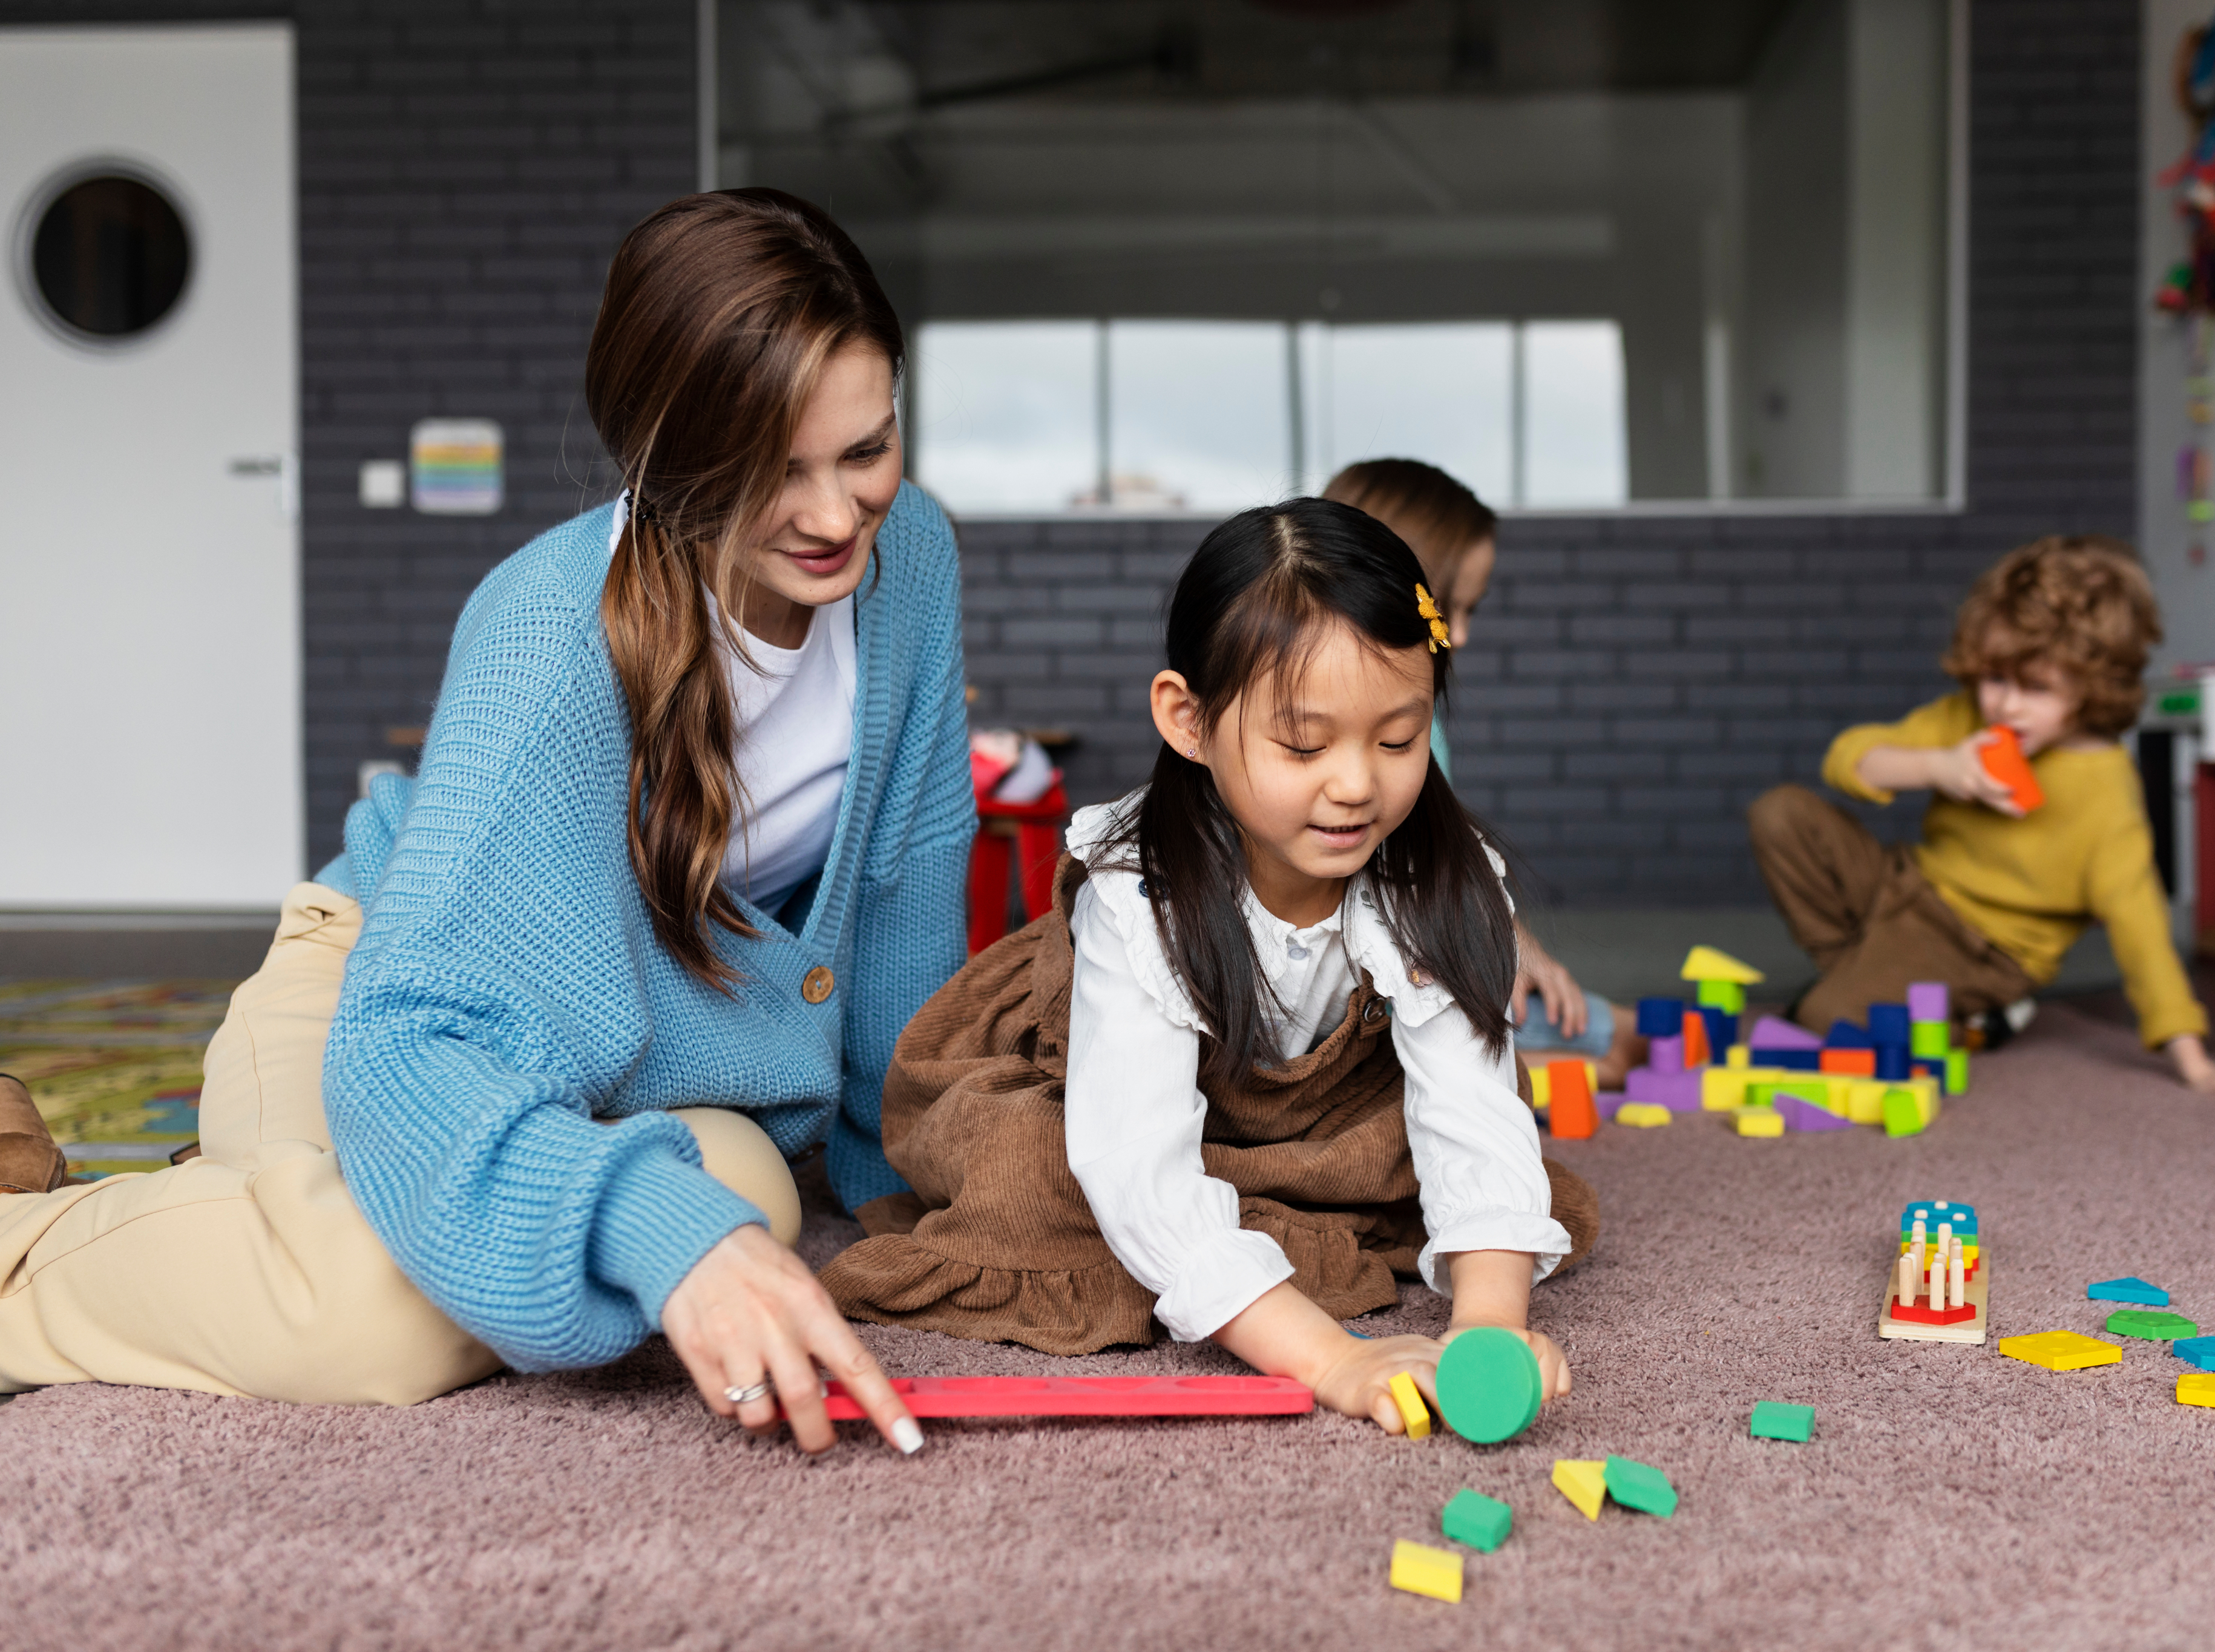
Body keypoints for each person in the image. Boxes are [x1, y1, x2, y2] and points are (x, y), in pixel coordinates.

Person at [0, 189, 971, 1453]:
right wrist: (645, 1232)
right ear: (665, 458)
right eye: (773, 472)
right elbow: (412, 1040)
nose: (838, 516)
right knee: (365, 1312)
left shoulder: (916, 568)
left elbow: (900, 895)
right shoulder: (551, 640)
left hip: (634, 1077)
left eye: (866, 449)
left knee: (734, 1199)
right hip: (382, 1002)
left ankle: (234, 1207)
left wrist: (904, 1191)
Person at [821, 499, 1598, 1431]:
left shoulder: (1434, 871)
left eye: (1400, 739)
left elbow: (1471, 1112)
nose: (1357, 783)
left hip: (1318, 1115)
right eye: (1304, 744)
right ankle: (1263, 1246)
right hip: (1098, 1092)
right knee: (1034, 1172)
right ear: (1188, 720)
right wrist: (1333, 1359)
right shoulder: (1143, 893)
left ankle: (1254, 1219)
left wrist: (1488, 1327)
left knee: (1455, 1162)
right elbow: (1136, 1159)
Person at [1747, 534, 2215, 1095]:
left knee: (1821, 1022)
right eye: (1994, 678)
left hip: (1983, 949)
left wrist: (2197, 1064)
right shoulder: (1970, 723)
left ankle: (1921, 1004)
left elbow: (2142, 928)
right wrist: (1940, 767)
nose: (2006, 705)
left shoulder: (2104, 790)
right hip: (1907, 886)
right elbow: (1849, 760)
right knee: (1781, 814)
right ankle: (1885, 988)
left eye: (2035, 687)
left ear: (2092, 687)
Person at [1322, 459, 1646, 1087]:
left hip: (1421, 954)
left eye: (1468, 610)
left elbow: (1437, 854)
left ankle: (1537, 1062)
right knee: (1608, 1040)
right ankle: (1529, 1071)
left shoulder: (1420, 720)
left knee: (1620, 1030)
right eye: (1447, 610)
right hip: (1366, 982)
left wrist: (1513, 941)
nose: (1460, 635)